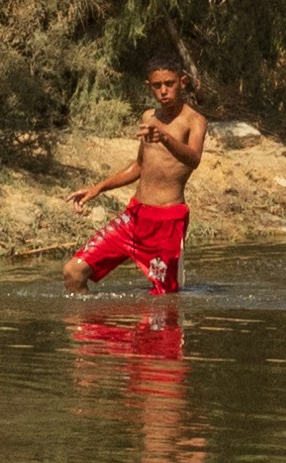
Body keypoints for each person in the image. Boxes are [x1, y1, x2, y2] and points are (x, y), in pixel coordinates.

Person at [65, 60, 206, 293]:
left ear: (182, 82)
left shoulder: (195, 120)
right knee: (74, 272)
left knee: (164, 298)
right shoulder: (149, 117)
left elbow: (194, 159)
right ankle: (90, 317)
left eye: (169, 84)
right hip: (135, 216)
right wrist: (97, 188)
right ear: (149, 86)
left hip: (168, 221)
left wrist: (165, 138)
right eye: (157, 85)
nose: (163, 91)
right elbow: (140, 165)